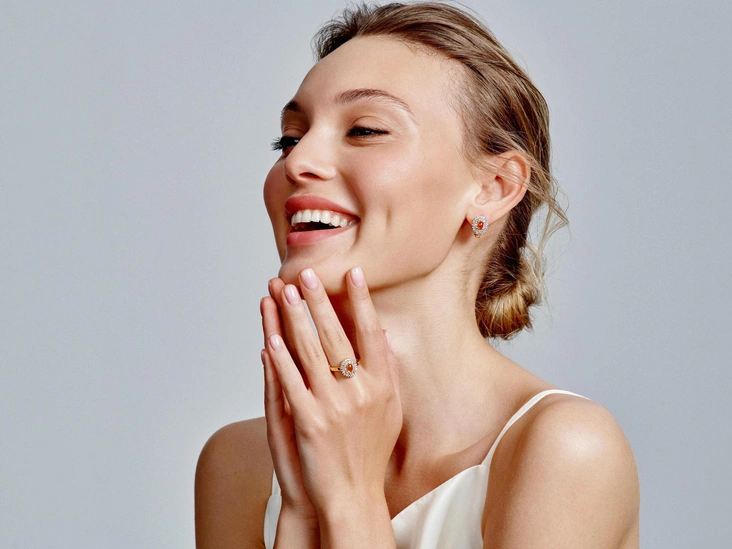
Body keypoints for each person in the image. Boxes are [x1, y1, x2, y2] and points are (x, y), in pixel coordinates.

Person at [194, 2, 640, 547]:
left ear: (493, 188)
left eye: (365, 129)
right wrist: (302, 514)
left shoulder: (564, 450)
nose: (297, 161)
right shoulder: (240, 465)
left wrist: (349, 499)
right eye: (289, 138)